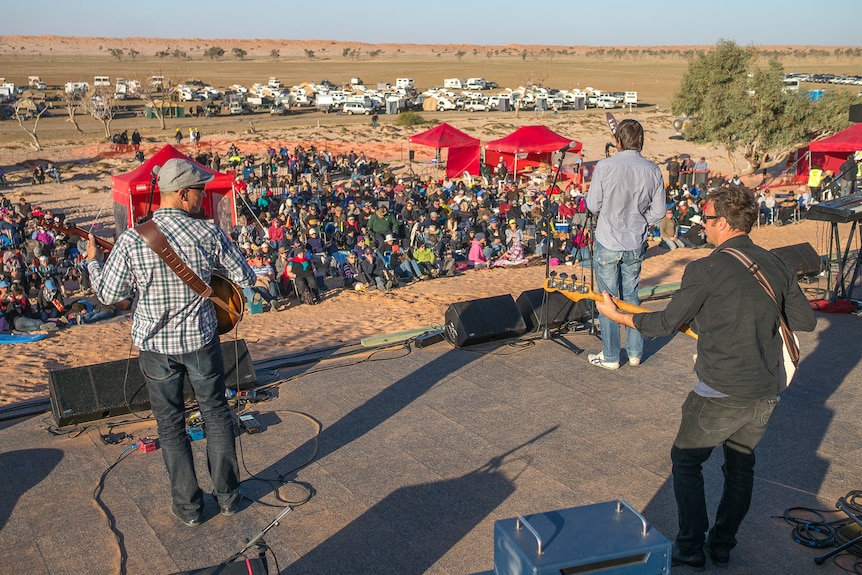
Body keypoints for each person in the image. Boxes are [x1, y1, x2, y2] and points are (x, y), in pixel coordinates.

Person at [594, 186, 816, 570]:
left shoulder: (706, 268)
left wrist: (619, 318)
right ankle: (723, 545)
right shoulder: (776, 263)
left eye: (707, 219)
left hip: (721, 388)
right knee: (741, 466)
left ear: (725, 224)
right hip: (766, 389)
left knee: (686, 460)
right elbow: (805, 321)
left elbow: (664, 322)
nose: (703, 225)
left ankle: (692, 547)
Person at [87, 158, 257, 527]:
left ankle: (189, 508)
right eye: (200, 192)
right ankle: (228, 498)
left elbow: (108, 293)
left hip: (155, 347)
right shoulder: (210, 233)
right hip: (200, 341)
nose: (203, 198)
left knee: (170, 425)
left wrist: (93, 262)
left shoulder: (134, 237)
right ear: (182, 194)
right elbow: (245, 276)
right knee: (216, 415)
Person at [586, 118, 665, 369]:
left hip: (609, 239)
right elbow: (660, 211)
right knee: (631, 295)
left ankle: (610, 356)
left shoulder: (605, 166)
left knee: (607, 298)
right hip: (634, 240)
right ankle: (634, 352)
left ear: (618, 141)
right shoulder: (652, 169)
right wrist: (642, 221)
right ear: (640, 141)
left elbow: (592, 205)